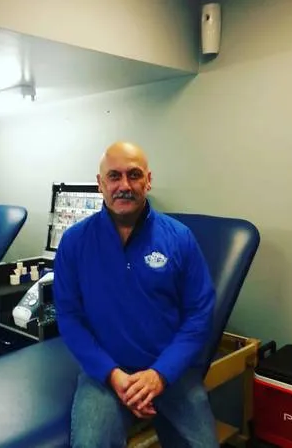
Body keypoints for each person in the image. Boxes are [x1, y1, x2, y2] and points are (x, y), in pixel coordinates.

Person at [53, 141, 219, 448]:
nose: (124, 186)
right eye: (114, 176)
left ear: (148, 180)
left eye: (134, 175)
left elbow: (199, 314)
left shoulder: (179, 238)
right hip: (106, 372)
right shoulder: (74, 243)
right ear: (100, 183)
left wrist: (160, 374)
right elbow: (69, 317)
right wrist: (112, 374)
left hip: (170, 368)